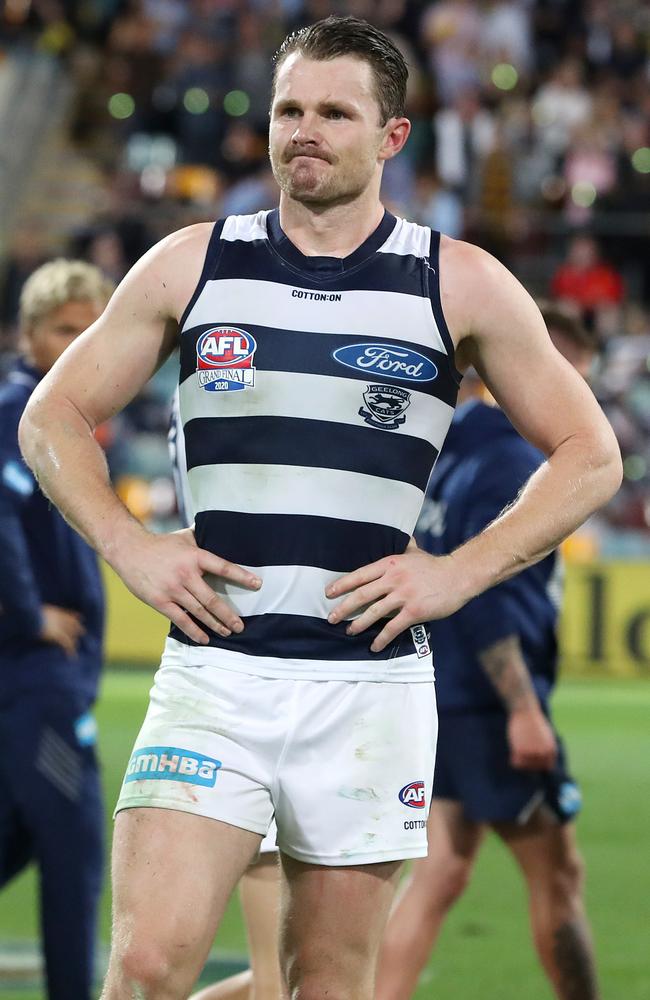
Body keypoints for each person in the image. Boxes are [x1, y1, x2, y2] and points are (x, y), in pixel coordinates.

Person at [18, 16, 621, 1000]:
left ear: (390, 136)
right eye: (288, 108)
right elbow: (52, 417)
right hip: (215, 674)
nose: (304, 129)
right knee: (142, 966)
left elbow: (588, 455)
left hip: (367, 692)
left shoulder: (454, 280)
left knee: (326, 986)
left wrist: (454, 572)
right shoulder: (191, 262)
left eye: (334, 112)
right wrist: (127, 545)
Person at [375, 307, 602, 1000]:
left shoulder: (451, 451)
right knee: (557, 873)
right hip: (486, 702)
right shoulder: (513, 460)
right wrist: (523, 709)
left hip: (436, 689)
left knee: (441, 867)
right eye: (576, 385)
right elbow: (489, 593)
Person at [0, 259, 113, 999]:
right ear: (29, 334)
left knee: (18, 834)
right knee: (74, 846)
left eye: (90, 331)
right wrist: (27, 611)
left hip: (37, 675)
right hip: (37, 674)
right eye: (63, 330)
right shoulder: (20, 408)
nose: (78, 344)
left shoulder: (50, 410)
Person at [168, 394, 283, 1000]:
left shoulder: (204, 384)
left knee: (286, 974)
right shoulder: (232, 387)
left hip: (251, 659)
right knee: (281, 979)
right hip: (261, 659)